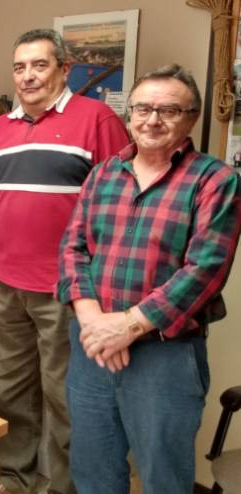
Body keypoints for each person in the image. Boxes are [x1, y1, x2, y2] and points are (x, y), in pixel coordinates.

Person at [0, 29, 129, 494]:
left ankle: (65, 486)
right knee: (10, 392)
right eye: (20, 67)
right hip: (5, 286)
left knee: (67, 398)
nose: (28, 76)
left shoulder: (96, 119)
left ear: (64, 68)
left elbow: (118, 209)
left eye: (39, 65)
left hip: (69, 291)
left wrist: (100, 286)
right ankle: (14, 477)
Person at [58, 64, 241, 493]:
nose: (152, 120)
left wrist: (129, 326)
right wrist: (95, 324)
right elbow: (72, 248)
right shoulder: (103, 173)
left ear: (191, 118)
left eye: (168, 110)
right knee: (93, 474)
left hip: (165, 356)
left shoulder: (215, 180)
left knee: (164, 480)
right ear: (130, 114)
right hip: (92, 348)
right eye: (142, 108)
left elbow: (204, 270)